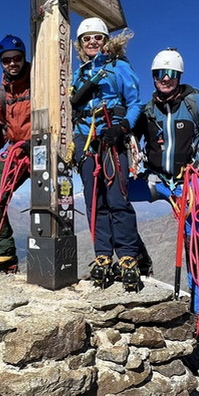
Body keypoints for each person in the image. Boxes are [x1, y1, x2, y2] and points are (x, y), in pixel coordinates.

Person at [130, 47, 199, 339]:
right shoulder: (147, 110)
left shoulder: (196, 104)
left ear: (179, 75)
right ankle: (136, 257)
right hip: (156, 178)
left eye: (171, 73)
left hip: (188, 180)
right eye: (160, 73)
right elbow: (130, 137)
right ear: (153, 77)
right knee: (113, 196)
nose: (165, 78)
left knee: (193, 244)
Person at [70, 17, 145, 291]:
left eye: (97, 37)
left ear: (105, 40)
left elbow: (135, 103)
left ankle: (127, 256)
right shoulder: (79, 75)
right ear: (80, 44)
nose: (92, 42)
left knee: (118, 197)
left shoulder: (119, 68)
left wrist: (123, 127)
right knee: (94, 199)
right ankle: (102, 254)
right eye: (86, 38)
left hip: (112, 136)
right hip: (86, 141)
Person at [0, 35, 31, 274]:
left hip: (45, 150)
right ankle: (6, 252)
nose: (12, 64)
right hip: (17, 152)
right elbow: (2, 126)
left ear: (24, 58)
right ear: (1, 62)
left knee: (57, 201)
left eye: (17, 58)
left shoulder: (40, 80)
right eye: (6, 60)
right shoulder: (1, 93)